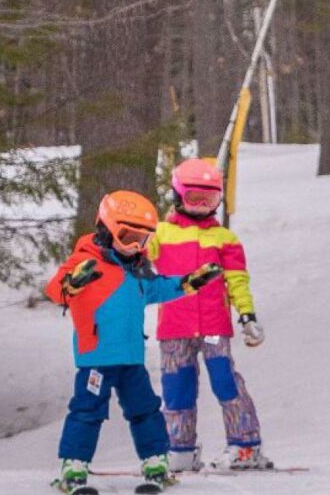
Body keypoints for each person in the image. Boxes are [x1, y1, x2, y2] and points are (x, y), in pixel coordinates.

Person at [45, 190, 225, 493]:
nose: (134, 246)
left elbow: (160, 289)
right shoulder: (86, 261)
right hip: (96, 359)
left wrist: (188, 282)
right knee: (87, 411)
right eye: (127, 236)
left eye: (141, 240)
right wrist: (72, 284)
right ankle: (73, 466)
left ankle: (156, 460)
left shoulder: (137, 271)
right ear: (107, 228)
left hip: (131, 359)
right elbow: (55, 290)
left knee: (145, 409)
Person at [148, 159, 271, 471]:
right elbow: (137, 258)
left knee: (224, 381)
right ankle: (179, 448)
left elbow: (237, 280)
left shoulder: (224, 238)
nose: (202, 207)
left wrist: (247, 314)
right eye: (194, 199)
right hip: (174, 326)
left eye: (211, 200)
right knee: (177, 386)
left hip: (213, 326)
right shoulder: (161, 234)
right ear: (178, 196)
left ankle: (246, 444)